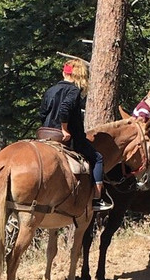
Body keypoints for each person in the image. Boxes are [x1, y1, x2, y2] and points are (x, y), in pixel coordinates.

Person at [38, 58, 110, 211]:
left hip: (46, 135)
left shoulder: (51, 90)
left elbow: (43, 113)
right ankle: (97, 198)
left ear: (64, 72)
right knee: (98, 158)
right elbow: (65, 109)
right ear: (79, 75)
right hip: (67, 137)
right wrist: (64, 129)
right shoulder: (74, 90)